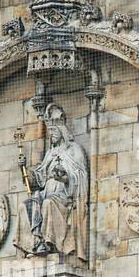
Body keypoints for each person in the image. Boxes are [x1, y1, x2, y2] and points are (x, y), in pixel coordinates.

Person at [21, 105, 89, 259]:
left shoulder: (74, 150)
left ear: (61, 129)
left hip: (65, 198)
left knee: (47, 204)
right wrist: (24, 169)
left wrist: (64, 177)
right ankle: (34, 244)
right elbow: (39, 178)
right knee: (26, 205)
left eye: (54, 131)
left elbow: (81, 177)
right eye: (50, 132)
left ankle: (47, 244)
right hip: (47, 193)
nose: (52, 134)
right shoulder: (50, 153)